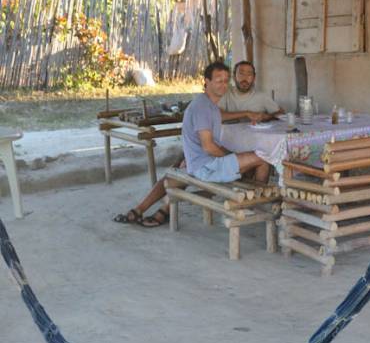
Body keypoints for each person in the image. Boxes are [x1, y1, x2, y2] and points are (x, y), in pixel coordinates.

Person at [113, 61, 269, 228]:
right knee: (264, 157)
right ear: (206, 82)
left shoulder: (209, 105)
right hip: (206, 167)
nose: (223, 85)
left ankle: (146, 210)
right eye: (218, 80)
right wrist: (231, 157)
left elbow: (219, 119)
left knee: (176, 176)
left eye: (225, 80)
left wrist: (245, 115)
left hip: (197, 162)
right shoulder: (203, 107)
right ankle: (253, 206)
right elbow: (209, 147)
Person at [219, 60, 283, 123]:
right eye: (241, 73)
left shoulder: (262, 97)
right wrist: (246, 113)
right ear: (234, 77)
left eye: (249, 74)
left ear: (254, 78)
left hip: (256, 133)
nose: (245, 78)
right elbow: (218, 116)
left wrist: (268, 116)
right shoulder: (225, 93)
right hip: (229, 133)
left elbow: (281, 113)